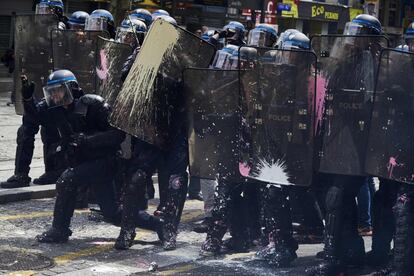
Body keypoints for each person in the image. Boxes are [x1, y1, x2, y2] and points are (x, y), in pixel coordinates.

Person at [306, 14, 384, 275]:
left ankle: (333, 255)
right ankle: (348, 249)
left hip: (359, 144)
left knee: (338, 197)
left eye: (360, 34)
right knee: (329, 194)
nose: (353, 39)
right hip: (334, 140)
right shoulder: (343, 61)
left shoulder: (376, 63)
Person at [0, 0, 69, 188]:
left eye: (46, 11)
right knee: (26, 131)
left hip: (54, 89)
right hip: (35, 88)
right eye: (40, 10)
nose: (41, 15)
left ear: (56, 12)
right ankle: (21, 173)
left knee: (51, 132)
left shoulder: (60, 30)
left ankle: (52, 171)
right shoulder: (35, 31)